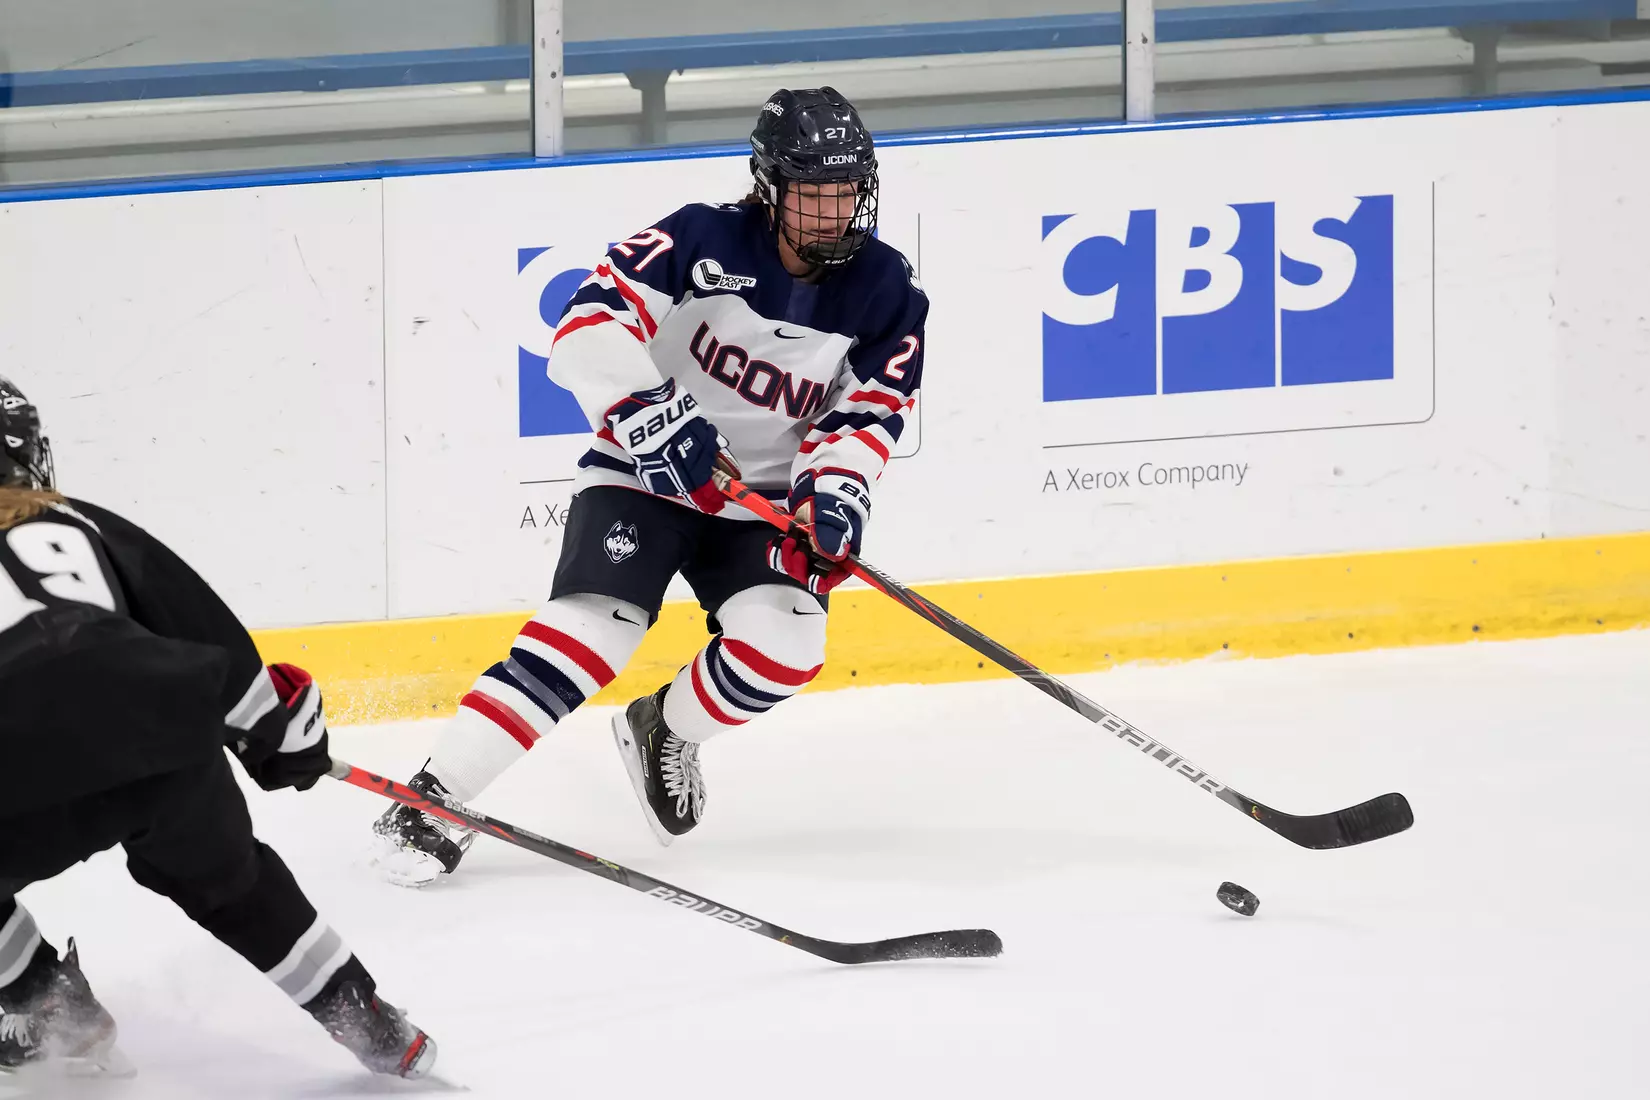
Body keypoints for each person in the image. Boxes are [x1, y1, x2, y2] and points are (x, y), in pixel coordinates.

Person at [372, 86, 926, 885]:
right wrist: (654, 415)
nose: (830, 210)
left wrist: (834, 493)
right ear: (768, 186)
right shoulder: (698, 237)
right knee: (595, 629)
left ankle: (666, 727)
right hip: (646, 472)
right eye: (810, 191)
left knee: (787, 647)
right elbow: (587, 323)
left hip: (759, 502)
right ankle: (434, 797)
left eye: (845, 190)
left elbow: (867, 414)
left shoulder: (888, 293)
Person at [0, 377, 436, 1079]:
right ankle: (364, 1016)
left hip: (14, 774)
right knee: (233, 884)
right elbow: (205, 630)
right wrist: (281, 740)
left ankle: (51, 1006)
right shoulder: (82, 522)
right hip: (157, 731)